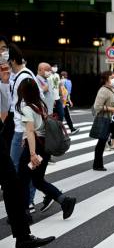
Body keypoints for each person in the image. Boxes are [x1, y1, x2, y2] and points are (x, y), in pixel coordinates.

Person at [0, 35, 56, 248]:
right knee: (13, 180)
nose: (4, 53)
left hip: (8, 131)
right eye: (2, 49)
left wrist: (4, 83)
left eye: (5, 49)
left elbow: (6, 108)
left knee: (12, 182)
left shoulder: (12, 77)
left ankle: (23, 236)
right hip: (14, 130)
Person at [15, 78, 77, 218]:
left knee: (23, 179)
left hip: (35, 150)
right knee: (37, 180)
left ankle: (24, 214)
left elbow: (30, 131)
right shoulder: (40, 105)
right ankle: (64, 201)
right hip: (44, 148)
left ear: (23, 92)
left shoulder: (27, 109)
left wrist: (31, 154)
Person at [7, 45, 40, 210]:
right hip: (22, 128)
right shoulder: (22, 75)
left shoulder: (23, 77)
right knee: (25, 167)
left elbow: (25, 105)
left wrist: (25, 134)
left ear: (13, 60)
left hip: (22, 129)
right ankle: (28, 200)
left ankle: (26, 201)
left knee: (17, 167)